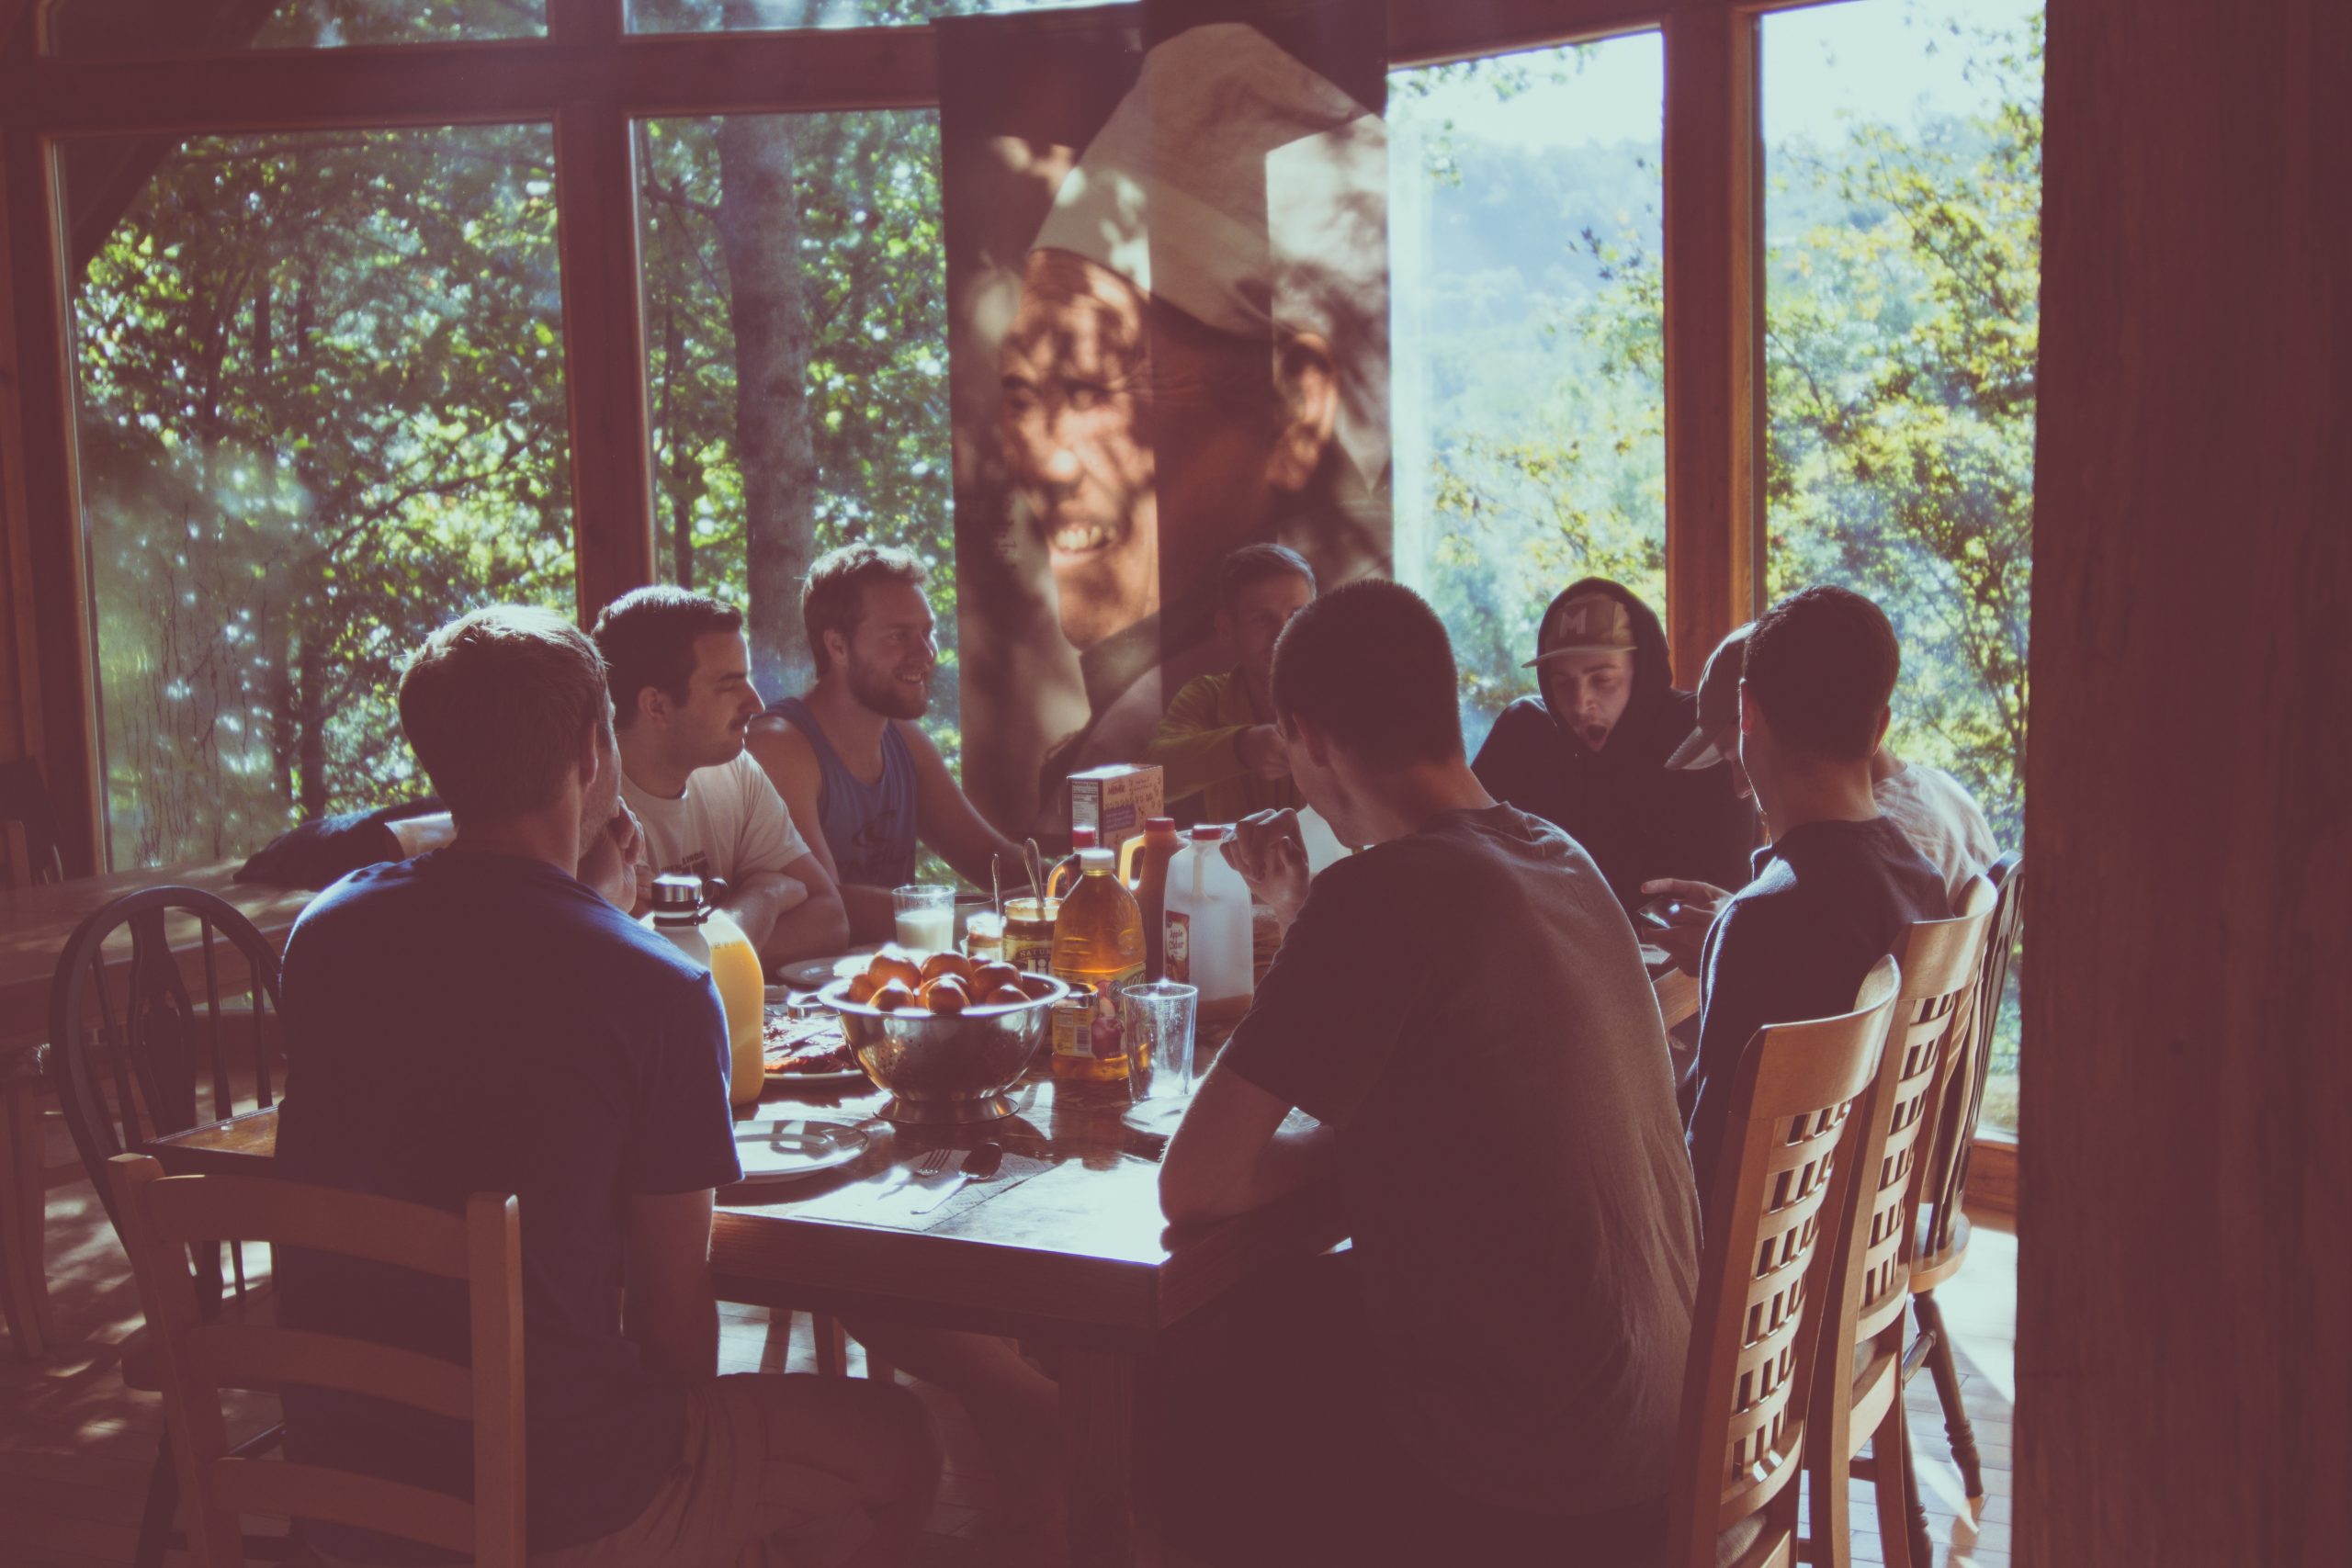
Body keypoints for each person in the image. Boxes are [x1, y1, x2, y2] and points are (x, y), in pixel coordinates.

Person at [273, 606, 938, 1566]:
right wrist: (600, 920)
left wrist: (589, 901)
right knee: (902, 1443)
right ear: (594, 750)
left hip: (349, 1471)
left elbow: (476, 1007)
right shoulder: (655, 986)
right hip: (556, 1496)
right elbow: (673, 1329)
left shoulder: (326, 934)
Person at [1158, 581, 1700, 1563]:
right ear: (1443, 711)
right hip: (1665, 1431)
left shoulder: (1381, 893)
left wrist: (1345, 1137)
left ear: (1307, 739)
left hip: (1541, 1475)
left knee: (1194, 1368)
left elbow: (1197, 1182)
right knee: (1290, 1323)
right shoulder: (1555, 853)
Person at [995, 22, 1391, 826]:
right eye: (1019, 395)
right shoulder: (1190, 701)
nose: (1044, 462)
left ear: (1292, 408)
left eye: (1086, 385)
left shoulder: (1348, 707)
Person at [1665, 587, 1951, 1204]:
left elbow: (1707, 1178)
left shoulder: (1758, 923)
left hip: (1747, 1294)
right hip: (1845, 1249)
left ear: (1746, 714)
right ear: (1879, 726)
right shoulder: (1923, 881)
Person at [1646, 621, 2002, 949]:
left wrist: (1732, 938)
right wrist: (1736, 917)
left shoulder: (1875, 851)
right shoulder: (1939, 790)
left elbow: (1845, 986)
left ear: (1773, 725)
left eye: (1739, 758)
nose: (1741, 788)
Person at [748, 545, 1031, 944]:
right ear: (838, 646)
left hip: (895, 988)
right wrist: (992, 913)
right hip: (801, 1001)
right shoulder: (779, 746)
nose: (926, 653)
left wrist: (1074, 878)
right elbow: (831, 906)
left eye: (927, 633)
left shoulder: (904, 739)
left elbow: (989, 856)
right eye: (899, 636)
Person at [592, 586, 850, 970]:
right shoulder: (590, 803)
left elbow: (830, 918)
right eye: (729, 686)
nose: (756, 704)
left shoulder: (734, 768)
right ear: (656, 706)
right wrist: (767, 895)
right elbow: (660, 968)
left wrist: (704, 942)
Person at [1471, 576, 1756, 911]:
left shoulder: (1703, 738)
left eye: (1603, 679)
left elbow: (1726, 895)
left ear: (1642, 672)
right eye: (1561, 682)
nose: (1580, 704)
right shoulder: (1526, 732)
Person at [1142, 543, 1317, 824]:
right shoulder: (1205, 697)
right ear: (1226, 627)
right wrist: (1240, 748)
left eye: (1297, 616)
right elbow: (1152, 780)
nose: (1283, 634)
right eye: (1263, 619)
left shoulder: (1343, 696)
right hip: (1236, 867)